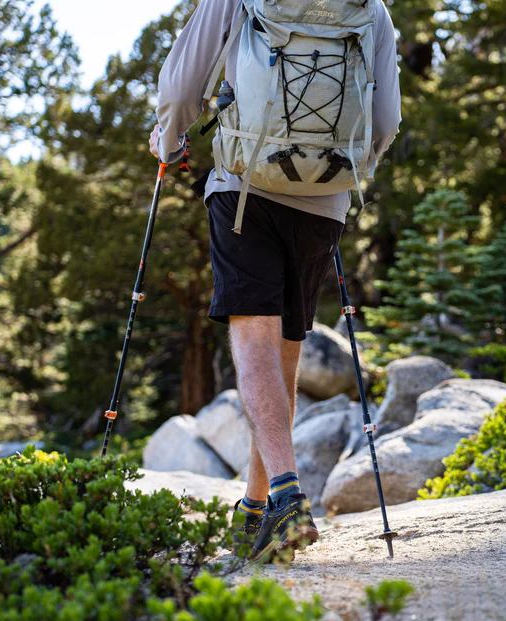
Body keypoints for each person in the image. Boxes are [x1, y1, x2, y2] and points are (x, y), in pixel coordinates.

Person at [149, 0, 401, 563]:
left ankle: (287, 497)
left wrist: (168, 143)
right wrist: (338, 170)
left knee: (254, 338)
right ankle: (257, 509)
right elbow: (384, 123)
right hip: (325, 201)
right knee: (287, 348)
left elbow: (181, 84)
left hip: (245, 186)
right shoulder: (369, 8)